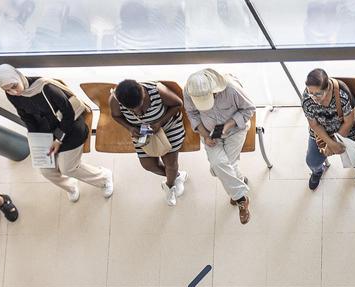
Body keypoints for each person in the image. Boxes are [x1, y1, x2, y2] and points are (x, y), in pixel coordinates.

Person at [0, 64, 113, 202]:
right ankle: (71, 186)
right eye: (7, 90)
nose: (13, 92)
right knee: (46, 170)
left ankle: (104, 177)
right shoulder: (13, 96)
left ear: (19, 77)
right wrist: (37, 142)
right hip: (47, 133)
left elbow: (69, 113)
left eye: (14, 86)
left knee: (68, 168)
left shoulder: (46, 88)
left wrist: (58, 140)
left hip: (70, 128)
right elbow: (28, 119)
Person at [184, 68, 255, 224]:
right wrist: (204, 134)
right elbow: (192, 113)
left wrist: (228, 125)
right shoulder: (189, 90)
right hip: (209, 133)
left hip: (235, 131)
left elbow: (249, 109)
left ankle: (236, 190)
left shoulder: (231, 89)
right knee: (221, 165)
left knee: (221, 167)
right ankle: (241, 198)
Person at [109, 78, 187, 206]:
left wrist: (160, 122)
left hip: (168, 126)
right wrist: (130, 128)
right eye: (131, 110)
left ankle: (170, 185)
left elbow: (178, 104)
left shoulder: (157, 90)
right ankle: (176, 176)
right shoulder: (115, 99)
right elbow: (116, 115)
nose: (136, 112)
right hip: (143, 131)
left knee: (171, 163)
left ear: (143, 92)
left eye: (138, 106)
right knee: (148, 165)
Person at [301, 68, 355, 190]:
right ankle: (317, 172)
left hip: (348, 129)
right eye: (311, 93)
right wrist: (330, 143)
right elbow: (314, 125)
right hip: (322, 130)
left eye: (318, 94)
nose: (314, 98)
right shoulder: (307, 98)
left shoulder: (343, 94)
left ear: (328, 88)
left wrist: (336, 142)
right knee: (312, 161)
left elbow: (349, 121)